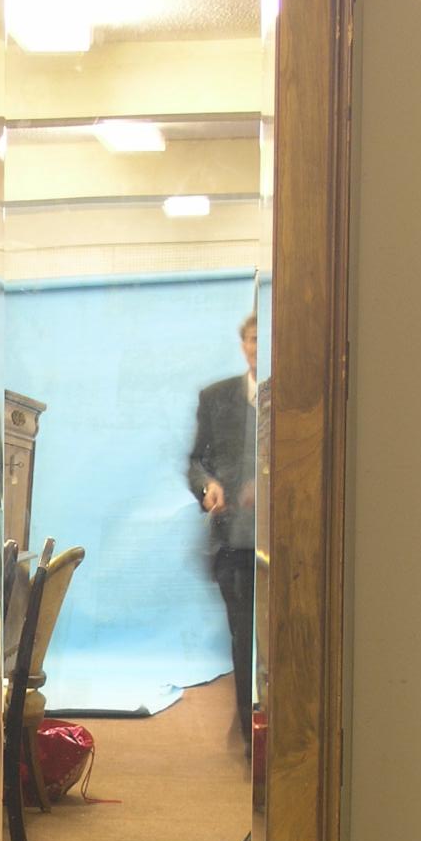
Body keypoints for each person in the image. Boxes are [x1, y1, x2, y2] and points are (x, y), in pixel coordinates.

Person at [188, 314, 258, 740]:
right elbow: (197, 461)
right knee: (243, 637)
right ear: (242, 344)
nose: (259, 346)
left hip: (286, 543)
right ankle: (253, 739)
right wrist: (207, 487)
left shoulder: (300, 394)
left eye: (266, 339)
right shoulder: (216, 397)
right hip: (232, 544)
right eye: (253, 339)